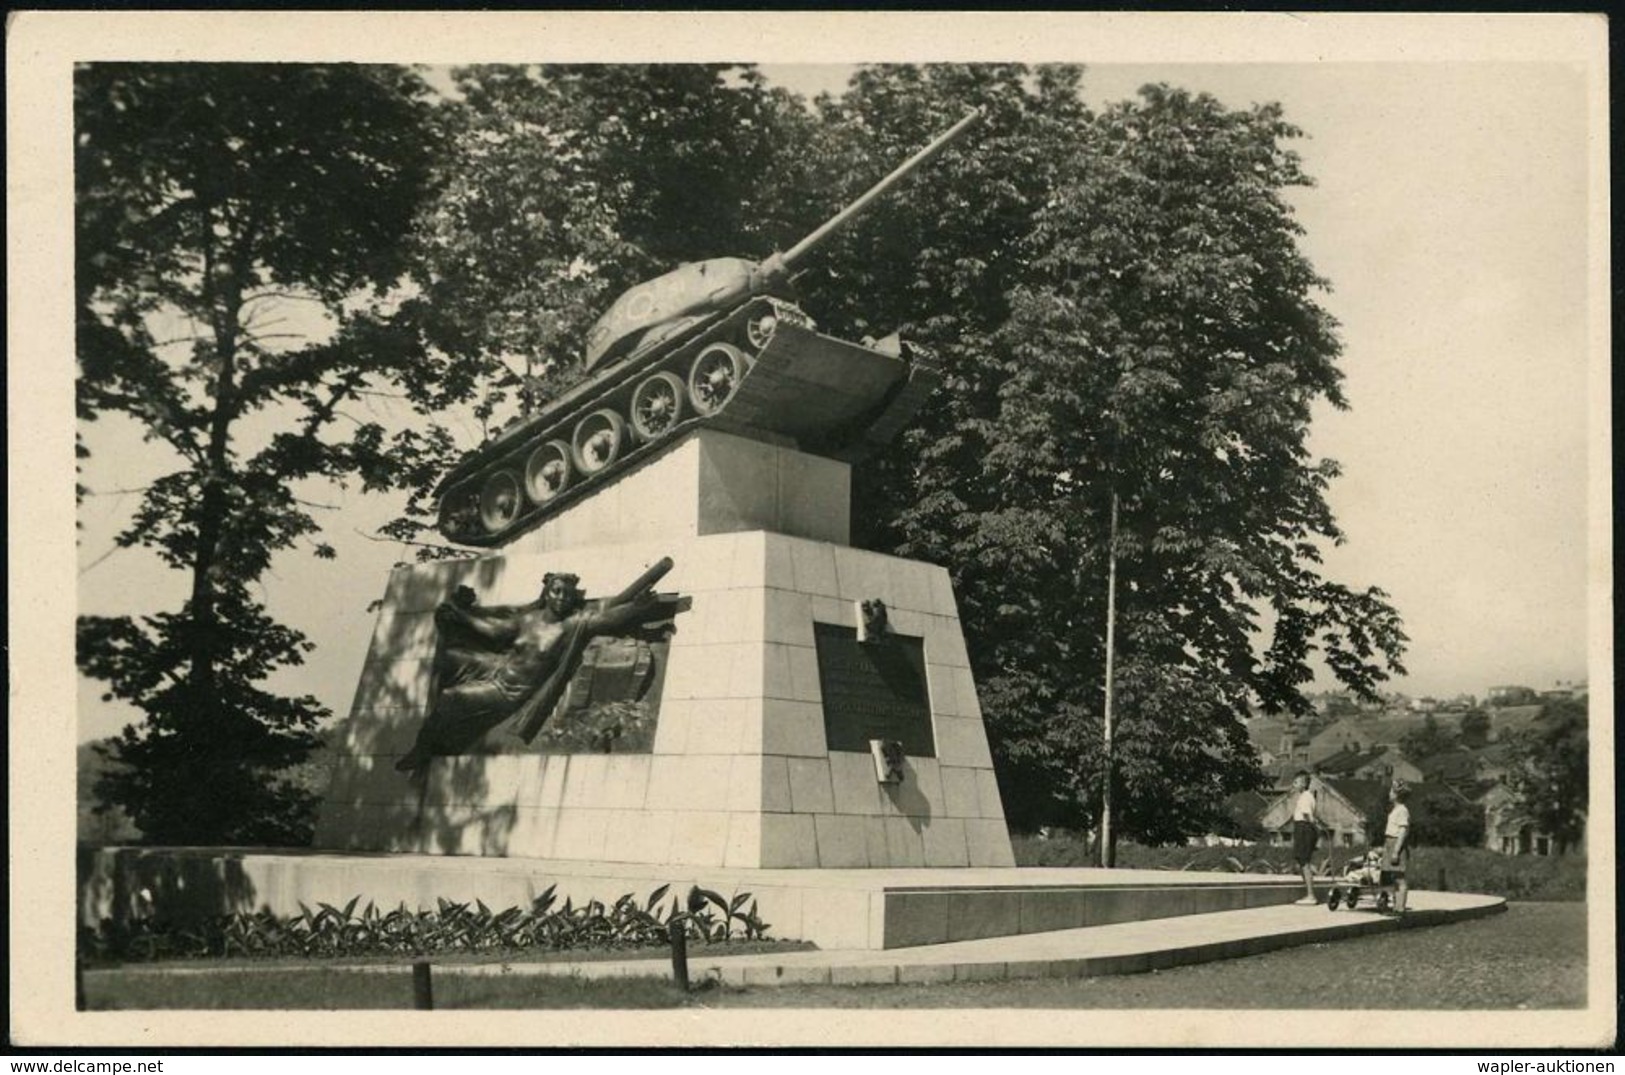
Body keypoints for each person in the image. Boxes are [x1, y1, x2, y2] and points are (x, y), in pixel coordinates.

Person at [395, 563, 683, 775]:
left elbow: (605, 620)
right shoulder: (528, 620)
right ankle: (441, 737)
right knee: (452, 658)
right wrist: (461, 614)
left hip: (508, 692)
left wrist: (636, 608)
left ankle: (421, 752)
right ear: (547, 593)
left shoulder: (571, 625)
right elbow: (494, 631)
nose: (562, 598)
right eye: (557, 591)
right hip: (496, 671)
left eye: (568, 595)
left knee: (449, 697)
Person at [1289, 771, 1321, 905]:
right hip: (1302, 828)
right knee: (1302, 862)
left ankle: (1310, 895)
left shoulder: (1305, 797)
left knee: (1304, 862)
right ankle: (1308, 893)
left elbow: (1308, 815)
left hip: (1304, 828)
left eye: (1296, 782)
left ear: (1303, 784)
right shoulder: (1306, 796)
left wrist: (1314, 827)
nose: (1293, 784)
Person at [1382, 780, 1412, 914]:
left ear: (1396, 794)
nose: (1389, 794)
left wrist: (1396, 851)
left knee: (1400, 877)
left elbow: (1402, 832)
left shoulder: (1402, 810)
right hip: (1389, 842)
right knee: (1393, 877)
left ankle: (1400, 908)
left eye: (1391, 791)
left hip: (1396, 844)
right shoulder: (1395, 810)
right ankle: (1396, 906)